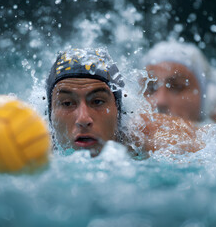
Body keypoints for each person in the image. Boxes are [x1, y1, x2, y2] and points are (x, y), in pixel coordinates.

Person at [46, 48, 202, 158]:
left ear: (119, 111)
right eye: (67, 103)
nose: (83, 119)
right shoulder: (35, 145)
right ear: (50, 115)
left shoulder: (153, 139)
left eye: (98, 101)